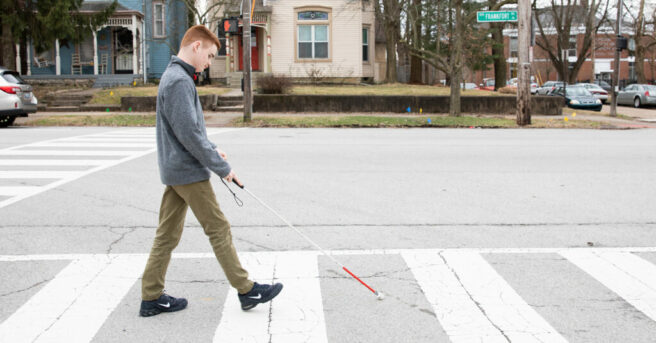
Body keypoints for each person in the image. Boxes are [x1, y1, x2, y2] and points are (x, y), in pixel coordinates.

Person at [139, 25, 282, 317]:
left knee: (166, 235)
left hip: (177, 169)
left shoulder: (174, 76)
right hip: (187, 171)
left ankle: (151, 296)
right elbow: (189, 135)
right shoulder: (179, 81)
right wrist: (223, 168)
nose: (209, 62)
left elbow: (188, 131)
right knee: (218, 228)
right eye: (210, 54)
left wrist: (213, 149)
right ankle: (246, 289)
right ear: (196, 47)